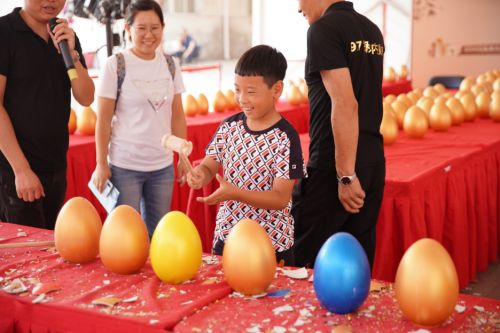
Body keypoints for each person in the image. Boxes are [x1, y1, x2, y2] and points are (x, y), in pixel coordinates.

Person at [187, 45, 306, 266]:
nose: (242, 99)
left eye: (251, 92)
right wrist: (199, 175)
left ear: (277, 89)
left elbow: (280, 198)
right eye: (237, 90)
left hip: (270, 243)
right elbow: (208, 166)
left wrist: (236, 193)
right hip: (228, 237)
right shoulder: (229, 127)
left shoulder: (285, 137)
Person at [292, 0, 386, 269]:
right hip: (372, 163)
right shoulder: (371, 31)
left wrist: (345, 175)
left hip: (334, 167)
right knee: (357, 260)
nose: (298, 8)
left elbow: (346, 103)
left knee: (306, 263)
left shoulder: (323, 29)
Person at [91, 0, 188, 237]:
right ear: (128, 29)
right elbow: (102, 121)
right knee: (126, 237)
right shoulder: (116, 65)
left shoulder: (170, 64)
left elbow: (177, 113)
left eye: (155, 28)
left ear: (162, 29)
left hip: (162, 167)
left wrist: (183, 157)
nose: (149, 35)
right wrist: (101, 163)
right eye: (141, 28)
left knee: (158, 237)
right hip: (125, 167)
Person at [0, 0, 95, 230]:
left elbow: (86, 97)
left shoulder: (63, 34)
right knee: (27, 256)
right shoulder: (5, 32)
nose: (51, 1)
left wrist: (71, 53)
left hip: (55, 167)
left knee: (51, 246)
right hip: (15, 171)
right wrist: (21, 170)